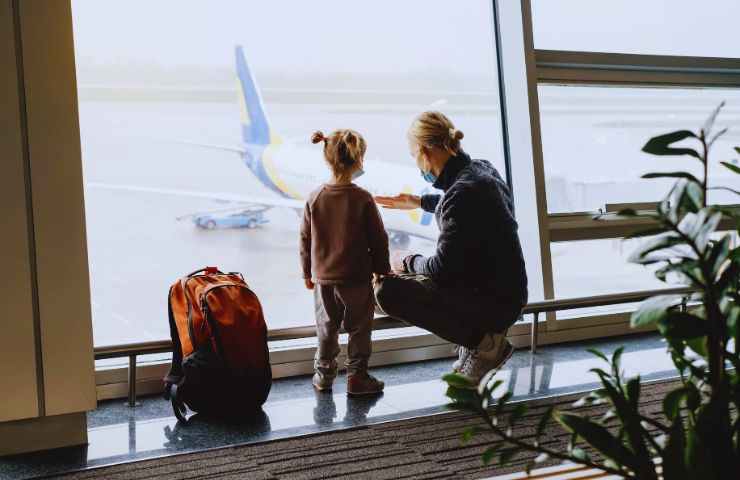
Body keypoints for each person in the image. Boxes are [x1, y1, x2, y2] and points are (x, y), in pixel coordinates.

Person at [374, 111, 528, 382]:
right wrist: (418, 202)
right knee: (395, 285)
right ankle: (479, 340)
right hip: (506, 291)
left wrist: (406, 260)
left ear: (424, 151)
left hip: (492, 301)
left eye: (413, 156)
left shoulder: (463, 193)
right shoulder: (482, 170)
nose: (416, 164)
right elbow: (464, 205)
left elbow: (442, 268)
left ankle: (485, 345)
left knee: (388, 292)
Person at [300, 129, 390, 395]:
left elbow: (305, 239)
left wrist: (307, 272)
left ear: (327, 159)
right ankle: (357, 378)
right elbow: (379, 239)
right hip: (357, 279)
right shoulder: (363, 198)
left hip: (324, 280)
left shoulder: (315, 197)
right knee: (360, 329)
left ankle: (324, 377)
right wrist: (382, 270)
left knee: (326, 329)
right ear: (359, 159)